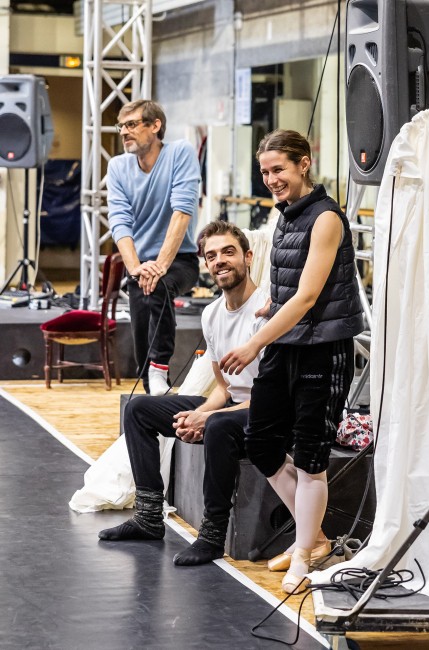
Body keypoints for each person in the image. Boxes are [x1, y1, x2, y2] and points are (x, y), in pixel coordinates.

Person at [220, 129, 364, 594]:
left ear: (304, 163)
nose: (271, 179)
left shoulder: (326, 218)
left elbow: (307, 297)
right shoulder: (285, 216)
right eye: (264, 172)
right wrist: (270, 305)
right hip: (288, 344)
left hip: (322, 348)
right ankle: (316, 537)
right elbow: (290, 290)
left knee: (310, 456)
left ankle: (304, 551)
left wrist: (253, 343)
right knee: (261, 444)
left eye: (278, 169)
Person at [98, 221, 267, 565]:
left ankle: (212, 535)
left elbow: (269, 395)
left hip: (267, 411)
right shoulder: (212, 314)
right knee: (139, 410)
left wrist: (210, 417)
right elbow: (224, 388)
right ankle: (148, 517)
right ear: (205, 265)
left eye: (229, 252)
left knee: (219, 427)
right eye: (212, 255)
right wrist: (202, 411)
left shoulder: (267, 309)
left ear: (248, 257)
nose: (220, 260)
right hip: (235, 405)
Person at [107, 99, 200, 396]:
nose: (124, 132)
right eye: (121, 126)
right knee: (141, 318)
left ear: (155, 126)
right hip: (141, 264)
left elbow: (182, 211)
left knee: (157, 287)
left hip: (180, 261)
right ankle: (150, 386)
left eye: (131, 124)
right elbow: (120, 222)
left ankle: (159, 368)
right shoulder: (118, 166)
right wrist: (136, 268)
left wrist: (159, 266)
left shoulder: (180, 152)